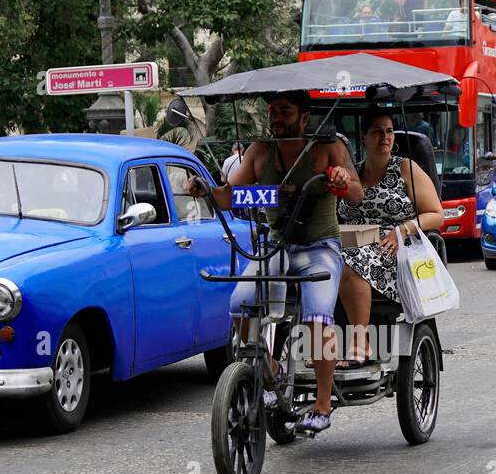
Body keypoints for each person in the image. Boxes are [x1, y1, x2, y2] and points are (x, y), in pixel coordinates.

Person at [185, 91, 362, 434]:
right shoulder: (259, 152)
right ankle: (273, 372)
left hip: (319, 247)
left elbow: (356, 193)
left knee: (317, 317)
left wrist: (341, 179)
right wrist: (205, 189)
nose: (277, 117)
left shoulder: (328, 147)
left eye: (285, 111)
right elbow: (226, 197)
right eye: (273, 111)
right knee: (239, 307)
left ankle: (323, 405)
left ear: (304, 118)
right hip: (275, 245)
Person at [335, 110, 443, 366]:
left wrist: (403, 229)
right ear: (363, 138)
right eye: (377, 131)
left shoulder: (405, 168)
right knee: (318, 259)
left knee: (349, 260)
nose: (384, 137)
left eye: (389, 131)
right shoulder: (352, 175)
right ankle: (320, 345)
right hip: (353, 238)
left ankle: (361, 342)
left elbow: (436, 214)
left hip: (394, 245)